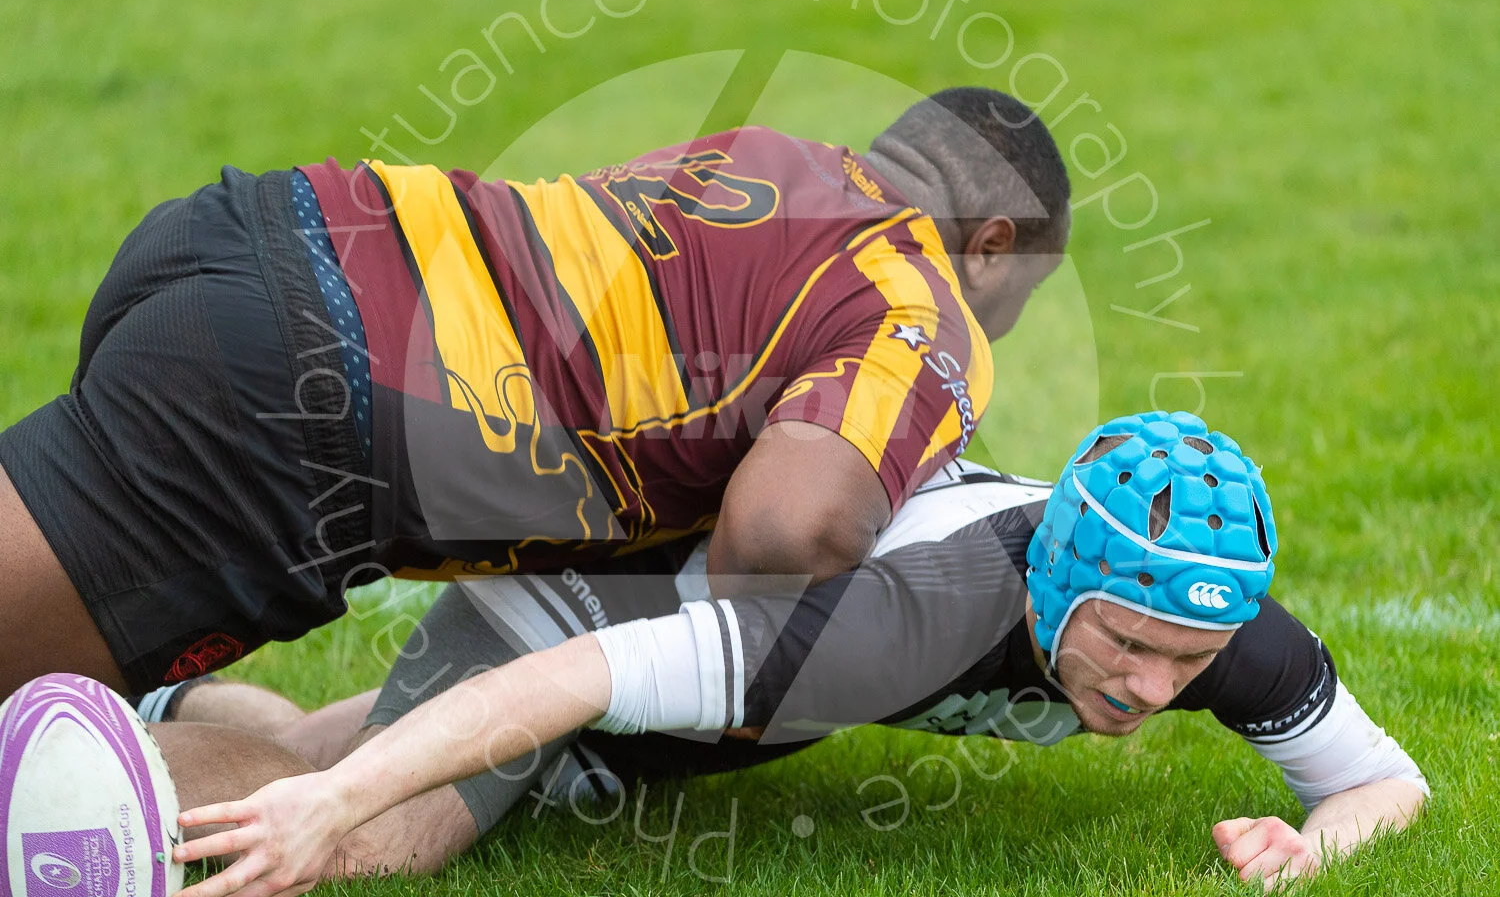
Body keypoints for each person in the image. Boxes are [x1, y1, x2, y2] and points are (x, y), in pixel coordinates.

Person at [0, 87, 1071, 697]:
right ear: (990, 247)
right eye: (1020, 298)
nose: (1000, 328)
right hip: (315, 397)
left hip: (262, 230)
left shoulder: (771, 159)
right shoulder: (929, 305)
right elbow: (786, 531)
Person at [151, 412, 1426, 894]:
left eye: (1191, 661)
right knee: (372, 830)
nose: (1156, 689)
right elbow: (576, 681)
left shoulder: (1207, 625)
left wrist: (1314, 852)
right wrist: (335, 809)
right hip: (596, 605)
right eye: (1130, 646)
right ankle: (93, 795)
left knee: (322, 743)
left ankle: (166, 704)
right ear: (1053, 583)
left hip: (706, 653)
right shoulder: (916, 613)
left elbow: (1387, 780)